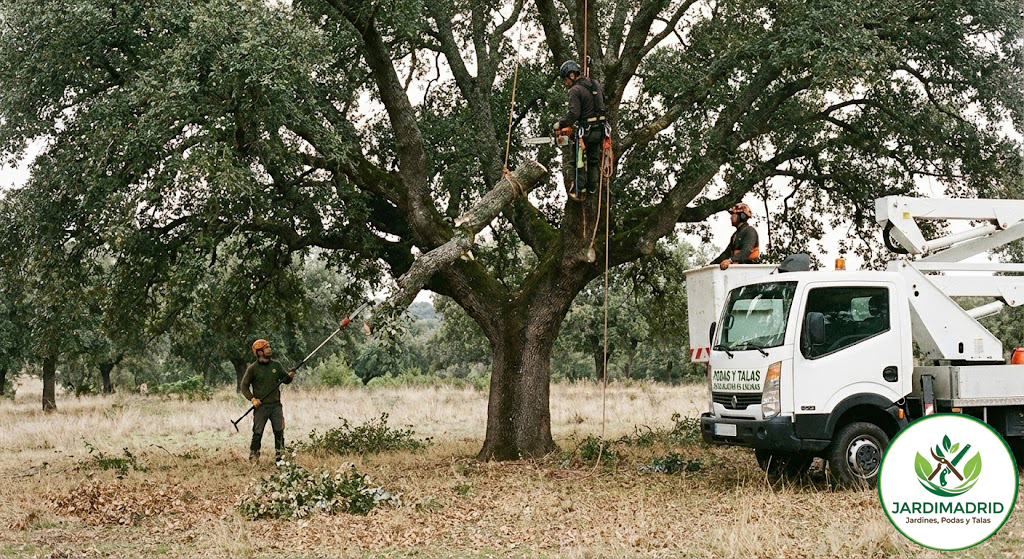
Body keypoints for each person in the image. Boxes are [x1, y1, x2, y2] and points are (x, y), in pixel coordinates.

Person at [556, 60, 608, 201]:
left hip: (586, 131)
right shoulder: (595, 84)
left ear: (571, 75)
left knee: (577, 159)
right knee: (593, 160)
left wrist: (560, 124)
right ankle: (592, 188)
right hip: (600, 130)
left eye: (565, 79)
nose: (565, 83)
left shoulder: (575, 90)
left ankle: (580, 190)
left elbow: (574, 114)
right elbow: (603, 100)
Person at [240, 339, 295, 462]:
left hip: (276, 406)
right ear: (259, 352)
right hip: (261, 407)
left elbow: (285, 380)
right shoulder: (252, 369)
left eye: (269, 347)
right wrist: (252, 399)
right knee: (257, 432)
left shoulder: (276, 365)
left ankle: (280, 457)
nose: (269, 349)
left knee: (279, 431)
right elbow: (243, 386)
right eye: (266, 348)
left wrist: (290, 376)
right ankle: (254, 456)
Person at [711, 203, 760, 270]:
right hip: (739, 269)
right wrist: (712, 264)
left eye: (733, 214)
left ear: (742, 216)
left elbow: (746, 251)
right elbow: (726, 254)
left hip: (750, 268)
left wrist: (730, 260)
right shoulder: (735, 235)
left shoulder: (750, 231)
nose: (731, 217)